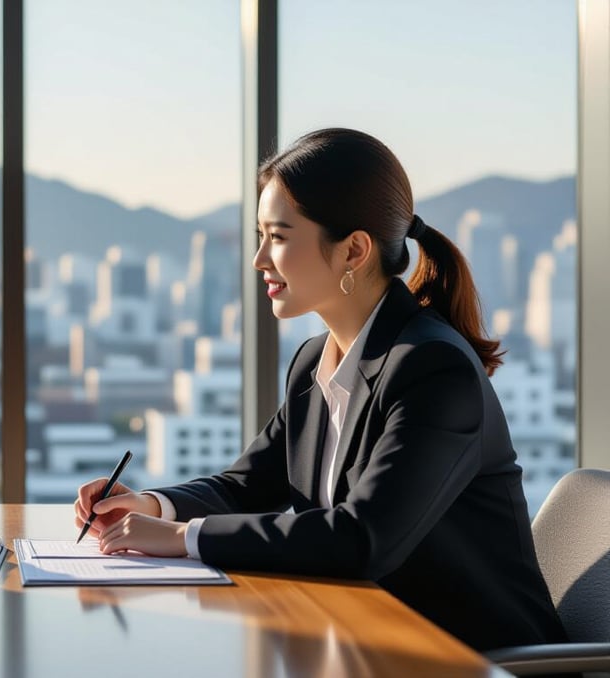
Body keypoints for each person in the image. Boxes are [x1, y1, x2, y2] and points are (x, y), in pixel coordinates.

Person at [74, 128, 568, 652]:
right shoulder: (315, 360)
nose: (259, 259)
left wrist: (183, 539)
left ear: (354, 250)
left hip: (471, 657)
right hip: (367, 644)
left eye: (279, 237)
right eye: (260, 236)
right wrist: (152, 506)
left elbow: (362, 539)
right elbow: (245, 486)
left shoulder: (434, 370)